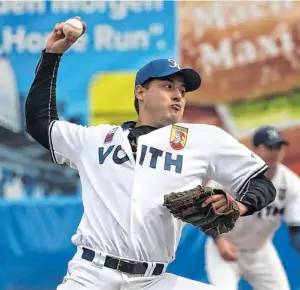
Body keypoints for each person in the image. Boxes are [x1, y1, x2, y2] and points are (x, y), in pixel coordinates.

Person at [25, 17, 276, 290]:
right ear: (140, 92)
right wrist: (53, 54)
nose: (179, 95)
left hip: (152, 280)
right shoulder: (95, 139)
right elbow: (40, 123)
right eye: (168, 86)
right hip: (91, 275)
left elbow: (261, 183)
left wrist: (238, 206)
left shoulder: (204, 139)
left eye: (182, 90)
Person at [205, 125, 300, 290]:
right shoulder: (231, 173)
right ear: (255, 149)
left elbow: (295, 229)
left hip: (260, 251)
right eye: (270, 147)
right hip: (225, 247)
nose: (276, 152)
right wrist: (219, 240)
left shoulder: (291, 183)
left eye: (279, 146)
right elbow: (204, 208)